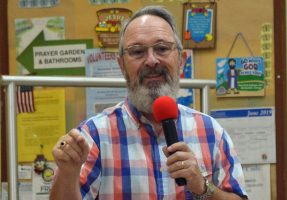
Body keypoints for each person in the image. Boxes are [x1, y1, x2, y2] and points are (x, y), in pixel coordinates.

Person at [49, 5, 248, 200]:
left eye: (162, 48)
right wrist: (68, 173)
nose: (151, 60)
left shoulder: (211, 132)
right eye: (137, 52)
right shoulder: (94, 136)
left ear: (181, 60)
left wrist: (201, 186)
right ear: (122, 66)